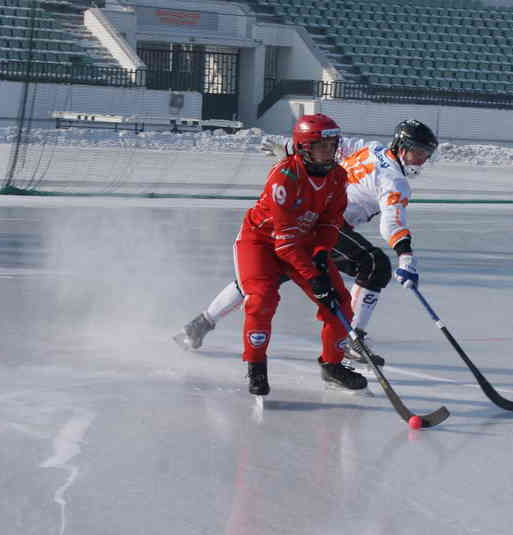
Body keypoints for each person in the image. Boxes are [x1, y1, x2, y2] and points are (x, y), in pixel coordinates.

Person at [175, 120, 439, 368]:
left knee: (265, 278)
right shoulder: (395, 181)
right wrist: (405, 255)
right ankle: (351, 338)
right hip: (326, 224)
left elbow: (333, 144)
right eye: (420, 152)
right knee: (373, 264)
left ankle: (200, 324)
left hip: (305, 215)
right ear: (403, 148)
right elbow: (391, 222)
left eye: (427, 154)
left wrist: (292, 150)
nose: (424, 160)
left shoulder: (371, 149)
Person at [233, 113, 366, 396]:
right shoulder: (284, 178)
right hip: (262, 242)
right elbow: (284, 243)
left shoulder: (338, 176)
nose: (329, 152)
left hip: (303, 243)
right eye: (322, 146)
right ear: (304, 147)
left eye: (332, 145)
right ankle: (256, 365)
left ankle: (332, 366)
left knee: (339, 303)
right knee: (262, 298)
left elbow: (331, 221)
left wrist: (321, 252)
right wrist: (314, 278)